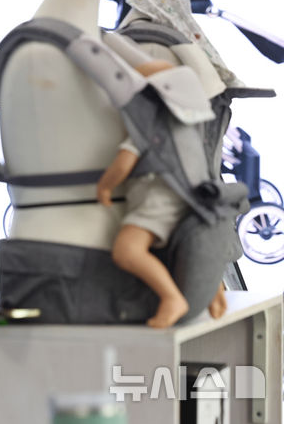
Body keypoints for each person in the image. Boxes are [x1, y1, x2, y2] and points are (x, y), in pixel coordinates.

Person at [96, 59, 226, 328]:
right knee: (187, 251)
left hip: (157, 202)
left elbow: (123, 163)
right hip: (190, 198)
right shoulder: (187, 129)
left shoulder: (149, 128)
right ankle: (214, 293)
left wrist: (106, 186)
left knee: (127, 251)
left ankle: (171, 298)